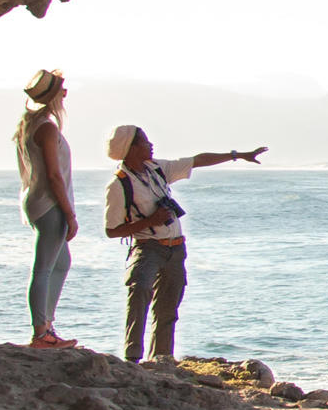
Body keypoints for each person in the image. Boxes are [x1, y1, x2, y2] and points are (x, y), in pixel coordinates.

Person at [104, 123, 266, 364]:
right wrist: (151, 221)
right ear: (131, 147)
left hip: (176, 248)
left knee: (168, 309)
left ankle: (162, 360)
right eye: (145, 141)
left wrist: (237, 155)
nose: (150, 144)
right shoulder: (119, 185)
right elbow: (112, 230)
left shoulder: (157, 169)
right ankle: (132, 360)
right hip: (147, 248)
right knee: (138, 298)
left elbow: (196, 160)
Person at [15, 70, 79, 348]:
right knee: (43, 268)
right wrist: (70, 214)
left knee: (61, 262)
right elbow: (54, 175)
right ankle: (41, 333)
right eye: (61, 90)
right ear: (52, 96)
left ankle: (47, 327)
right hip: (49, 203)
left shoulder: (34, 125)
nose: (65, 94)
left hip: (38, 201)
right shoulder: (47, 128)